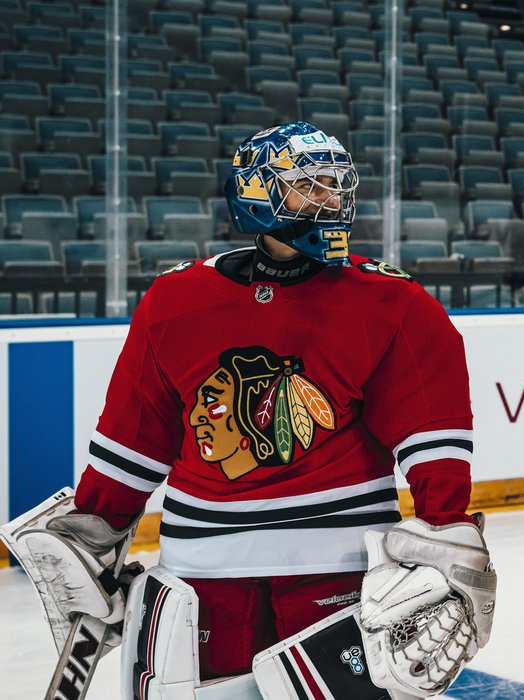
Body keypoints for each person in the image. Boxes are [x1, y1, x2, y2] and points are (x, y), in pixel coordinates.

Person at [22, 121, 495, 698]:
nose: (329, 200)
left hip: (335, 572)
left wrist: (447, 532)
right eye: (308, 186)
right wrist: (98, 526)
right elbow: (136, 436)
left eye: (335, 185)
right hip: (200, 575)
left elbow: (432, 436)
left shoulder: (392, 303)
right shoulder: (175, 303)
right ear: (255, 191)